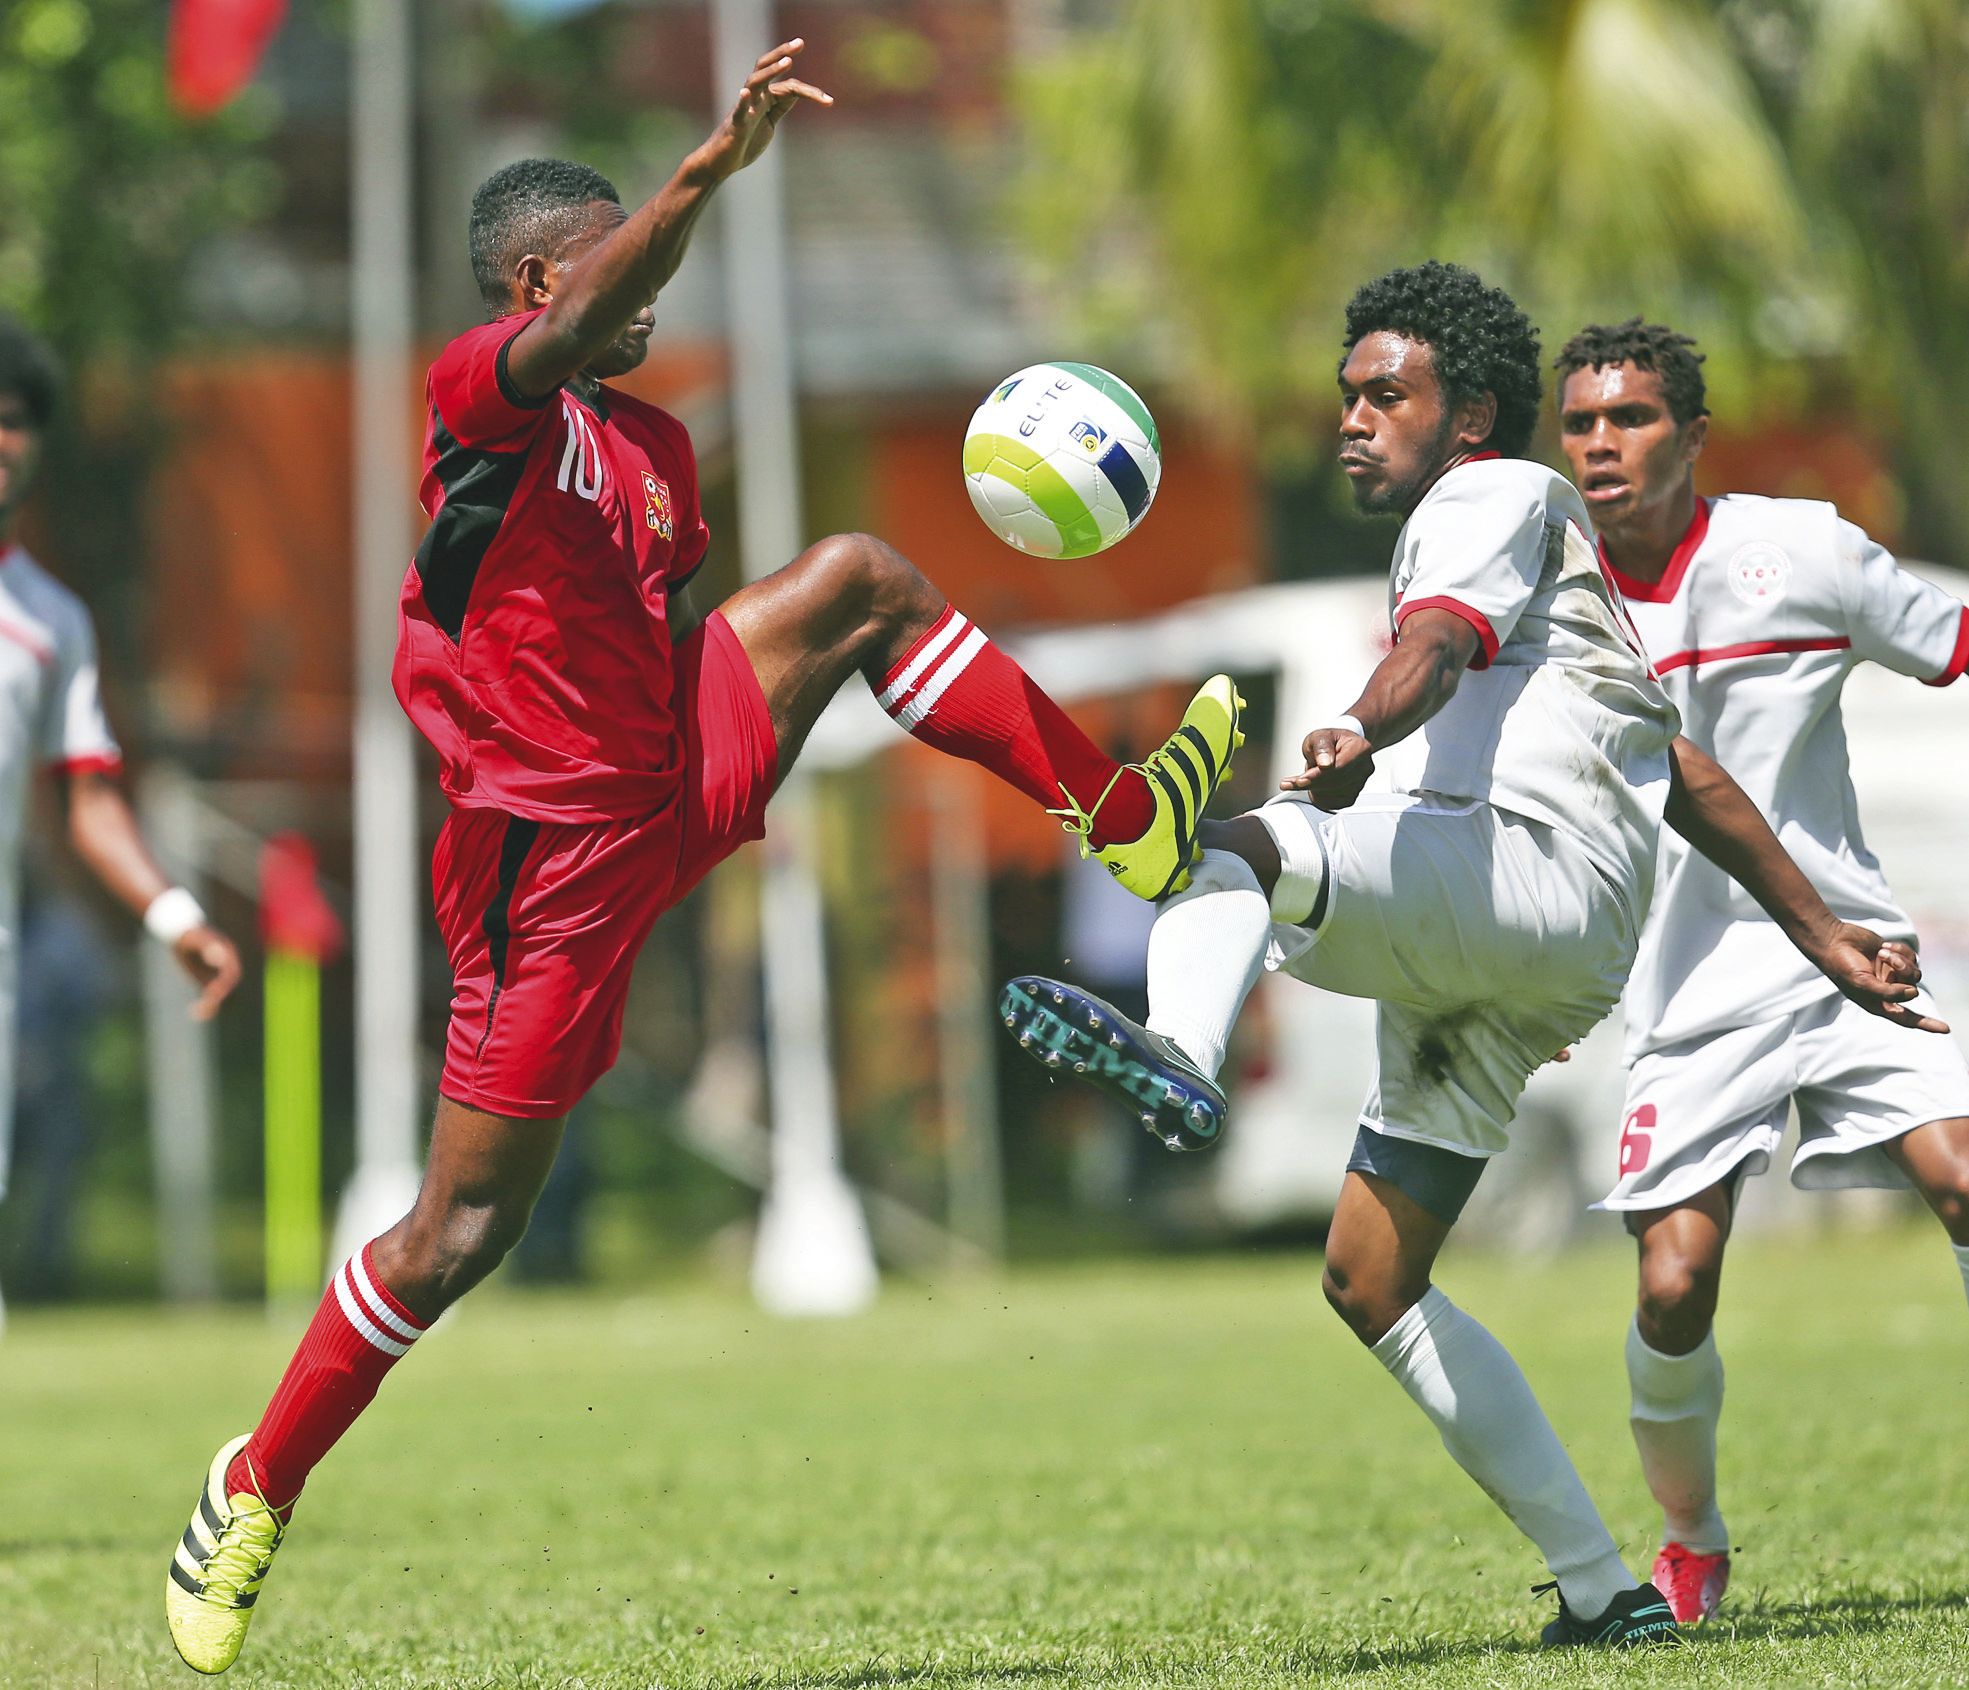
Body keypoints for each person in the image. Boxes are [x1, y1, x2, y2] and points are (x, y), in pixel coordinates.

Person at [164, 40, 1245, 1676]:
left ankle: (1125, 818)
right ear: (538, 281)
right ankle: (255, 1480)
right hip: (543, 867)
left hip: (661, 765)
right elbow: (583, 341)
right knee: (456, 1238)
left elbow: (651, 634)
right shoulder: (481, 397)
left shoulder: (653, 455)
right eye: (600, 259)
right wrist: (705, 167)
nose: (641, 292)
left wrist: (745, 733)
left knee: (858, 579)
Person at [999, 261, 1936, 1648]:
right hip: (1536, 941)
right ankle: (1602, 1588)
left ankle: (1181, 1055)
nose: (1354, 419)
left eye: (1388, 393)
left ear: (1473, 411)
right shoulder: (1560, 573)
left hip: (1519, 871)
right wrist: (1825, 936)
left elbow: (1434, 646)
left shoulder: (1487, 494)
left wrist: (1360, 730)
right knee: (1371, 1275)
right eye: (1345, 396)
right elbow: (1685, 771)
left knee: (1226, 848)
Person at [1553, 317, 1969, 1624]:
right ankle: (1692, 1533)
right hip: (1683, 993)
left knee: (1965, 1175)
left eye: (1628, 418)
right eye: (1579, 425)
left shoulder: (1802, 549)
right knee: (1674, 1284)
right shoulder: (1547, 595)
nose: (1600, 444)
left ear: (1691, 433)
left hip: (1852, 951)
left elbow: (1952, 641)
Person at [0, 316, 242, 1334]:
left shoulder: (51, 618)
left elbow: (89, 799)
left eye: (16, 422)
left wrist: (176, 915)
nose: (1, 441)